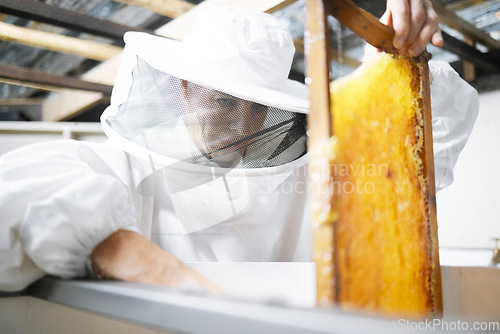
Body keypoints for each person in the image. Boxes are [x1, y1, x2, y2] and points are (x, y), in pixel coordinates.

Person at [0, 2, 478, 292]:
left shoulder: (308, 182)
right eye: (225, 100)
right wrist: (196, 297)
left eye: (261, 108)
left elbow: (422, 154)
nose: (245, 123)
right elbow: (18, 197)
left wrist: (399, 62)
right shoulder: (123, 168)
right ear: (182, 90)